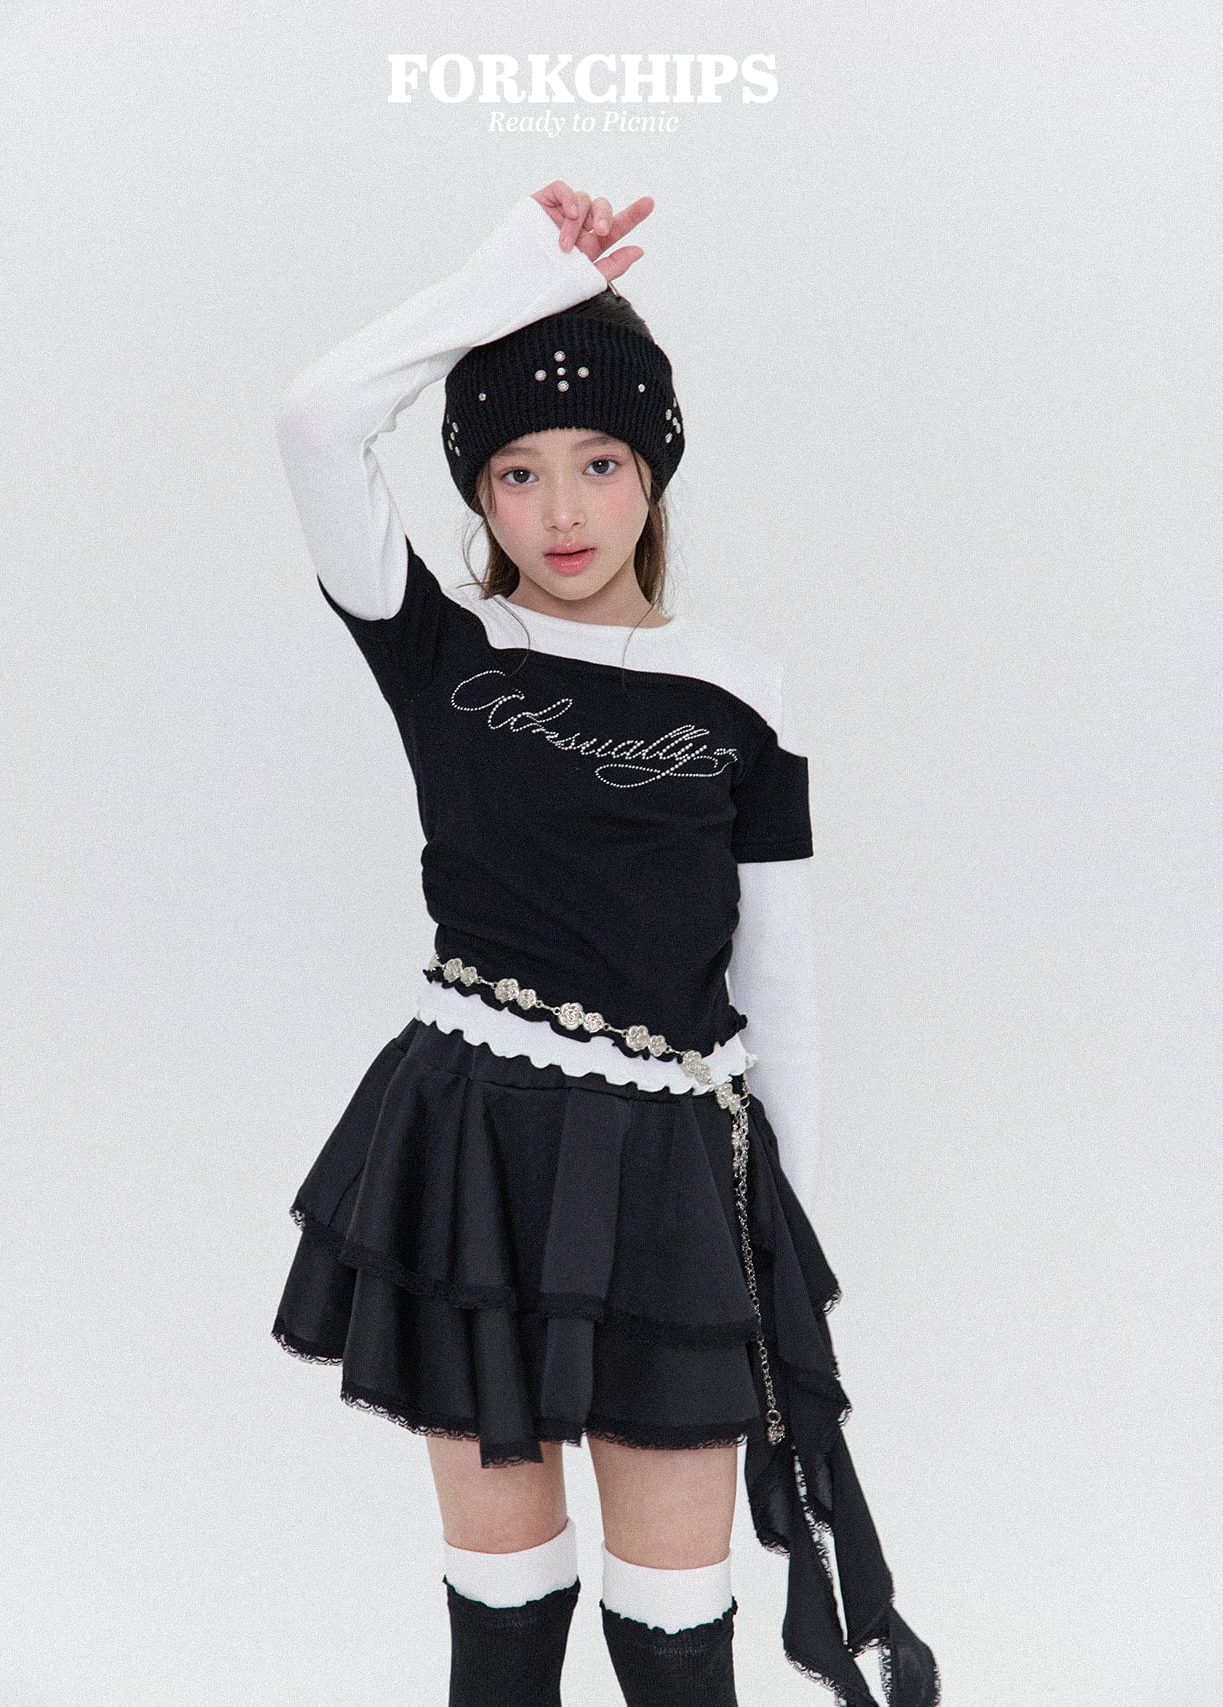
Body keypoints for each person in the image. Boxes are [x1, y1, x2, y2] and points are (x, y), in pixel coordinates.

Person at [270, 177, 940, 1707]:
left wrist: (775, 1238)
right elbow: (314, 421)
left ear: (654, 472)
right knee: (503, 1608)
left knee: (675, 1619)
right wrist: (500, 280)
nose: (561, 512)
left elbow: (779, 987)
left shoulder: (744, 694)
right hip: (474, 1156)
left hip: (671, 1179)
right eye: (515, 472)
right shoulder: (442, 644)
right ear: (476, 493)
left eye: (598, 463)